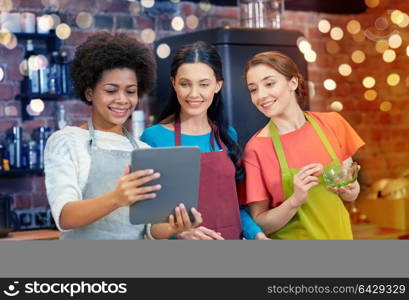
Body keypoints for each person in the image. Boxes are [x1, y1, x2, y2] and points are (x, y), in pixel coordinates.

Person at [44, 32, 201, 240]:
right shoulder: (68, 141)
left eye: (130, 91)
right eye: (111, 90)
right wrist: (117, 198)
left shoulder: (143, 150)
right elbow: (64, 217)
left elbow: (148, 229)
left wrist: (175, 227)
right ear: (90, 92)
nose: (122, 100)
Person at [141, 41, 267, 240]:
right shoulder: (153, 138)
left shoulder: (227, 135)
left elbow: (236, 206)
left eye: (204, 84)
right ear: (174, 83)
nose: (194, 94)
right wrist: (179, 234)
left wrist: (257, 235)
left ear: (218, 85)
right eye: (185, 84)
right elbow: (147, 223)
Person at [240, 51, 365, 239]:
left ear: (293, 83)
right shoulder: (256, 149)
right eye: (253, 89)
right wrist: (294, 201)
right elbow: (260, 225)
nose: (261, 95)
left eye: (269, 83)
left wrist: (350, 188)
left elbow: (351, 193)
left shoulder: (332, 123)